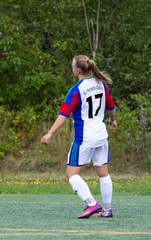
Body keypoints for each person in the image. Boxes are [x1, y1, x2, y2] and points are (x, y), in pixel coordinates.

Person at [41, 55, 117, 218]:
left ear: (78, 70)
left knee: (71, 174)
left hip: (85, 138)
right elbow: (111, 106)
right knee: (103, 173)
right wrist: (112, 121)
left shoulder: (76, 89)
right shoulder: (101, 85)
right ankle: (107, 209)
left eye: (72, 65)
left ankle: (91, 203)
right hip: (101, 136)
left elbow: (64, 114)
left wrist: (50, 133)